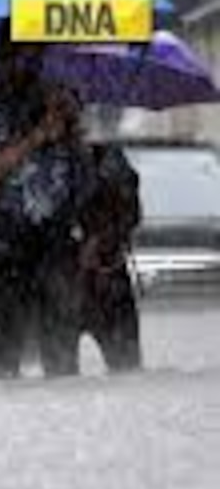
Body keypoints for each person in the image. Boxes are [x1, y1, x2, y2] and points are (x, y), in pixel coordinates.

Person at [0, 30, 94, 381]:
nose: (28, 66)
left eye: (36, 57)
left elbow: (81, 185)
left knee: (63, 367)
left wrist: (73, 129)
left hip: (55, 248)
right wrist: (35, 139)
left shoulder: (61, 101)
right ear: (2, 59)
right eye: (20, 56)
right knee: (4, 367)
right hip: (0, 252)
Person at [80, 141, 143, 373]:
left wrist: (101, 239)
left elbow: (130, 214)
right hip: (55, 284)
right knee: (51, 375)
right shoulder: (25, 151)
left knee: (128, 370)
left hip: (107, 279)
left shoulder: (108, 158)